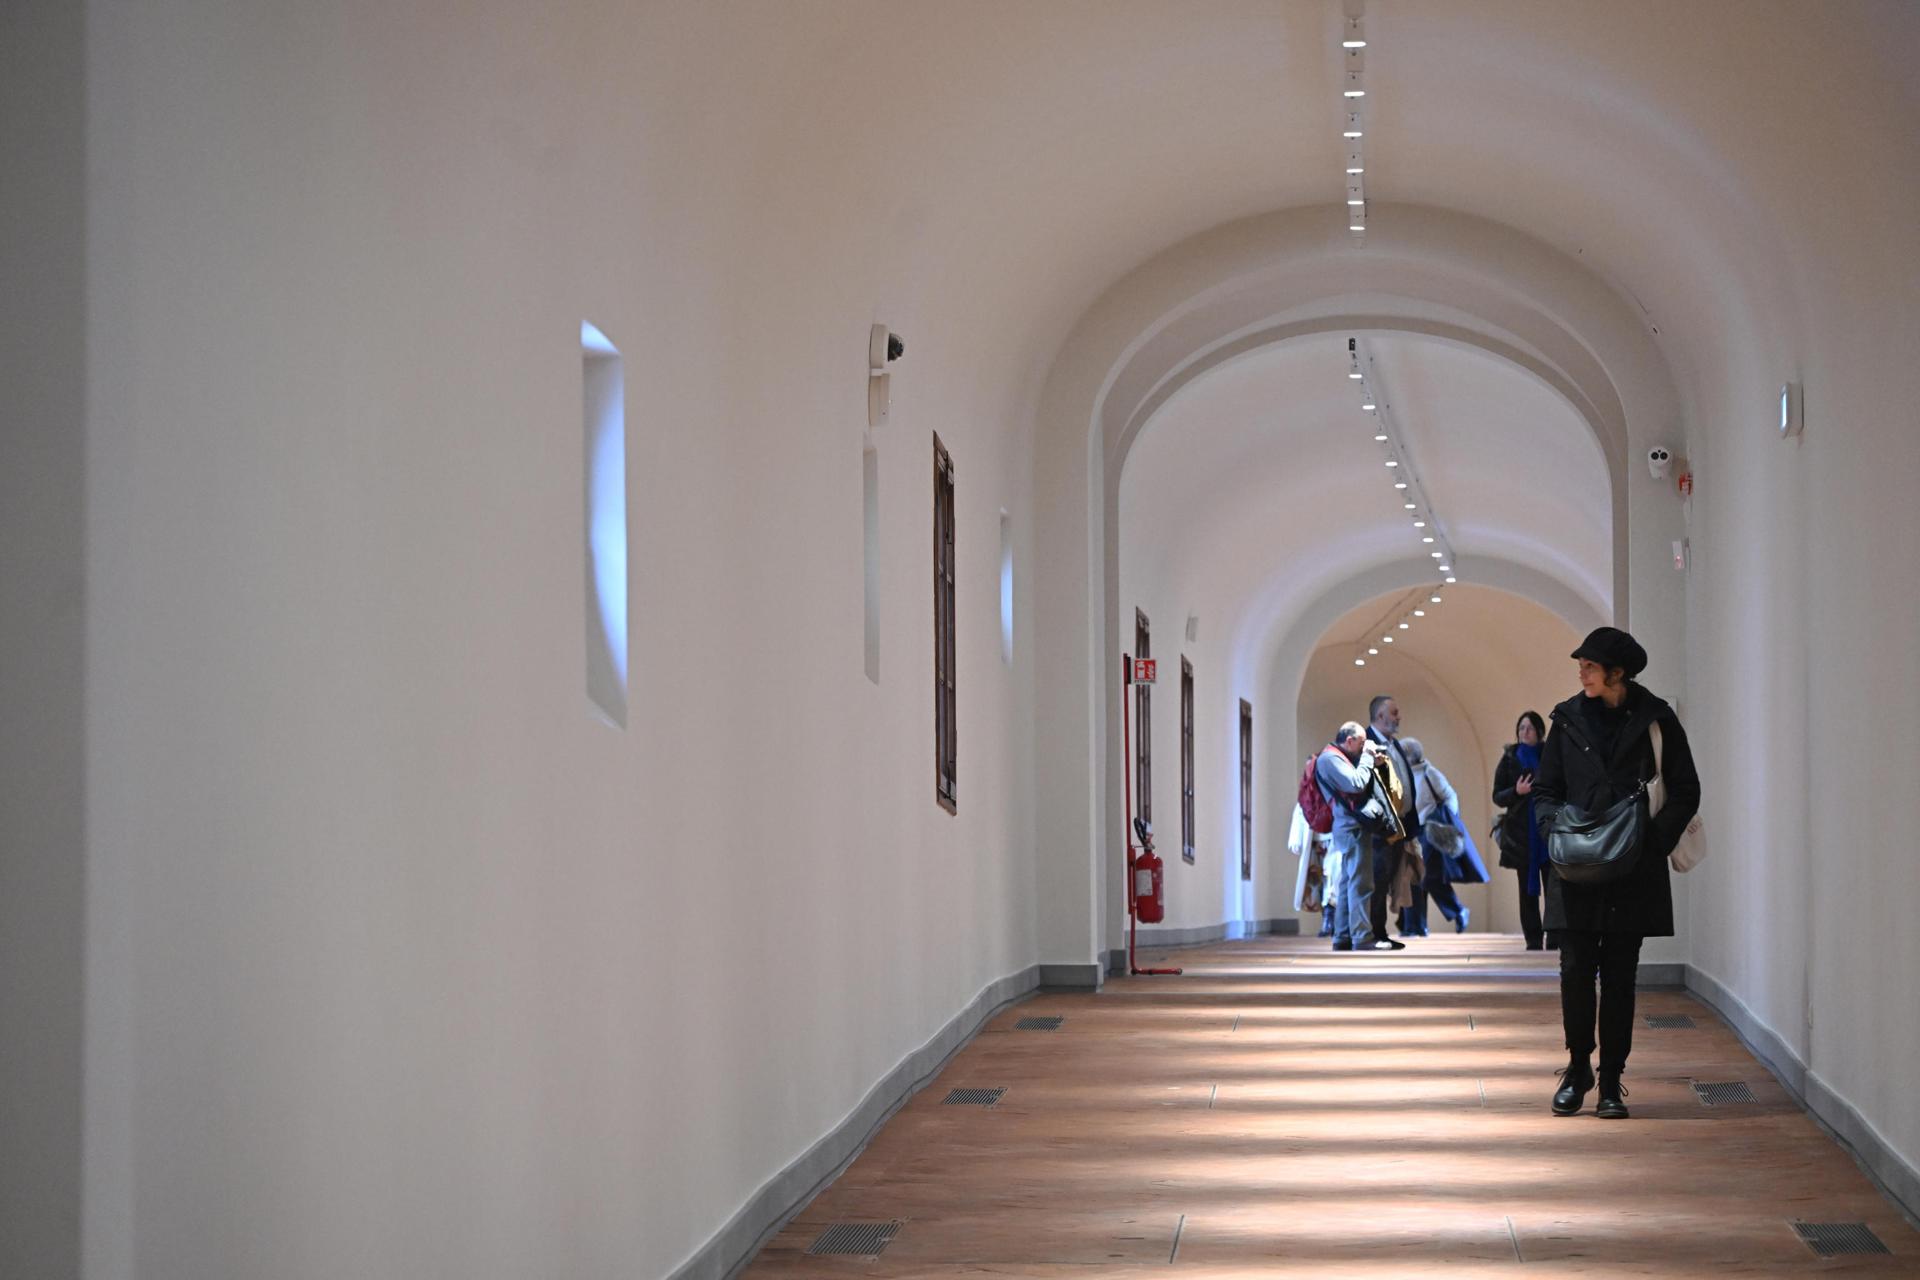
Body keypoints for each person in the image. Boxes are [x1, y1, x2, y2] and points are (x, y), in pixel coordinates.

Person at [1533, 627, 1700, 1120]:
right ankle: (1578, 1066)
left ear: (1617, 673)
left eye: (1589, 666)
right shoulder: (1566, 720)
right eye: (1581, 666)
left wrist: (1651, 845)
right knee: (1575, 972)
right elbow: (1546, 790)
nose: (1581, 672)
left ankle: (1611, 1081)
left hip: (1633, 866)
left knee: (1622, 976)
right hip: (1574, 864)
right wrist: (1552, 831)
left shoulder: (1657, 720)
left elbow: (1686, 789)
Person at [1314, 722, 1391, 952]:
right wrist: (1367, 757)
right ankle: (1362, 936)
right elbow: (1356, 784)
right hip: (1351, 827)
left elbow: (1354, 782)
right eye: (1361, 742)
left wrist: (1371, 762)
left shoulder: (1337, 757)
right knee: (1361, 883)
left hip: (1349, 826)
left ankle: (1343, 936)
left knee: (1349, 883)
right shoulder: (1329, 759)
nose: (1363, 747)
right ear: (1349, 741)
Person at [1398, 737, 1471, 934]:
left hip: (1429, 831)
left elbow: (1450, 796)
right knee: (1411, 878)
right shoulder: (1401, 776)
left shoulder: (1429, 773)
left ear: (1410, 755)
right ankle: (1415, 926)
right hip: (1410, 833)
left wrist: (1447, 823)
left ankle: (1458, 910)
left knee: (1428, 877)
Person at [1492, 712, 1552, 950]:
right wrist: (1517, 791)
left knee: (1553, 890)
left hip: (1547, 833)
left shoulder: (1549, 756)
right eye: (1521, 728)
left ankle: (1555, 938)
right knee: (1526, 892)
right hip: (1520, 835)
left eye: (1529, 728)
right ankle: (1533, 940)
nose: (1525, 733)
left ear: (1539, 732)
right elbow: (1498, 796)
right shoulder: (1509, 759)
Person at [1366, 696, 1418, 949]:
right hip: (1380, 829)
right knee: (1376, 880)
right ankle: (1375, 934)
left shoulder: (1393, 744)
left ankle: (1381, 932)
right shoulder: (1367, 744)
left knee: (1387, 880)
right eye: (1394, 712)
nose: (1399, 717)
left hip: (1399, 826)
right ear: (1380, 716)